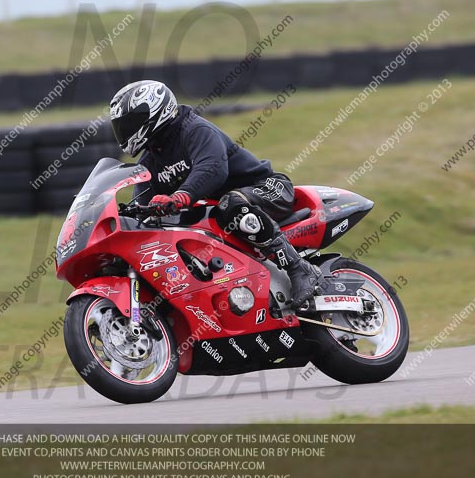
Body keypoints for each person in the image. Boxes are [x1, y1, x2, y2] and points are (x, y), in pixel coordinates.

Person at [109, 80, 321, 309]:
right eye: (121, 125)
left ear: (155, 110)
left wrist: (180, 197)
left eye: (130, 122)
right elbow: (144, 209)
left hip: (268, 187)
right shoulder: (150, 161)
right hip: (223, 210)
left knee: (230, 204)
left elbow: (213, 168)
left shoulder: (194, 130)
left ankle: (299, 268)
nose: (126, 130)